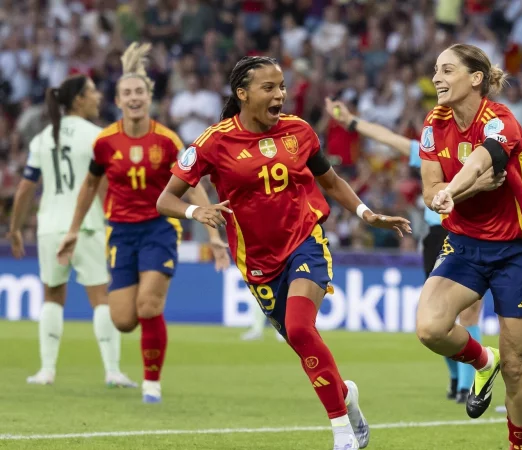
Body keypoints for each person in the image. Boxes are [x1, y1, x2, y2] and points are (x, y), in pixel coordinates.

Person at [156, 56, 411, 450]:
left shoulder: (300, 132)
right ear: (242, 94)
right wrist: (196, 210)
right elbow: (165, 200)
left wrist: (366, 213)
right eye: (269, 88)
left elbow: (331, 180)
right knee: (301, 341)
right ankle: (346, 398)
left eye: (282, 87)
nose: (280, 95)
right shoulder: (214, 142)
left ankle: (342, 433)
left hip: (304, 241)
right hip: (257, 262)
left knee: (299, 328)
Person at [56, 42, 229, 404]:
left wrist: (213, 235)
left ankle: (152, 383)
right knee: (123, 319)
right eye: (127, 93)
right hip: (120, 231)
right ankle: (144, 354)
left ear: (149, 96)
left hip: (159, 228)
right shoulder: (104, 142)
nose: (133, 97)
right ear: (117, 101)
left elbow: (192, 187)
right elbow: (89, 185)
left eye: (139, 91)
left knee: (149, 306)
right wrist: (73, 230)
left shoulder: (166, 141)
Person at [415, 43, 522, 450]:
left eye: (447, 70)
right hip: (465, 243)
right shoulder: (433, 124)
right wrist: (445, 195)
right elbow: (429, 190)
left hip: (515, 251)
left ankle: (519, 445)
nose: (437, 77)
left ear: (475, 78)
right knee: (430, 328)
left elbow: (480, 164)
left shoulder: (502, 120)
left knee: (518, 368)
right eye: (436, 69)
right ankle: (481, 361)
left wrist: (452, 191)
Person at [322, 97, 494, 403]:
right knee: (439, 316)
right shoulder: (432, 147)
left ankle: (467, 385)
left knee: (468, 312)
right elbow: (388, 138)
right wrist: (351, 122)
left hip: (469, 232)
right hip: (438, 234)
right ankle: (458, 379)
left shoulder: (481, 148)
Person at [7, 75, 136, 388]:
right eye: (92, 92)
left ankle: (46, 370)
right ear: (78, 99)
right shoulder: (98, 136)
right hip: (86, 226)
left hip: (50, 226)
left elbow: (26, 188)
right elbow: (104, 184)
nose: (97, 97)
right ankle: (112, 371)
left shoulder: (43, 138)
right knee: (101, 297)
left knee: (52, 295)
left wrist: (14, 228)